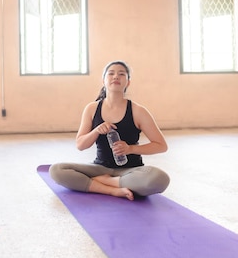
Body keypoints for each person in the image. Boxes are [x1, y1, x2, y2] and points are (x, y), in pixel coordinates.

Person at [49, 60, 169, 201]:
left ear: (128, 82)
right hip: (100, 168)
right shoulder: (92, 109)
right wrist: (96, 131)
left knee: (160, 179)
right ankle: (111, 190)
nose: (116, 77)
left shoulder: (138, 111)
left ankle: (104, 182)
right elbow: (80, 145)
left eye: (121, 74)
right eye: (111, 73)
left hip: (130, 171)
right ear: (103, 80)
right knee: (56, 170)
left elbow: (161, 146)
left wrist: (130, 149)